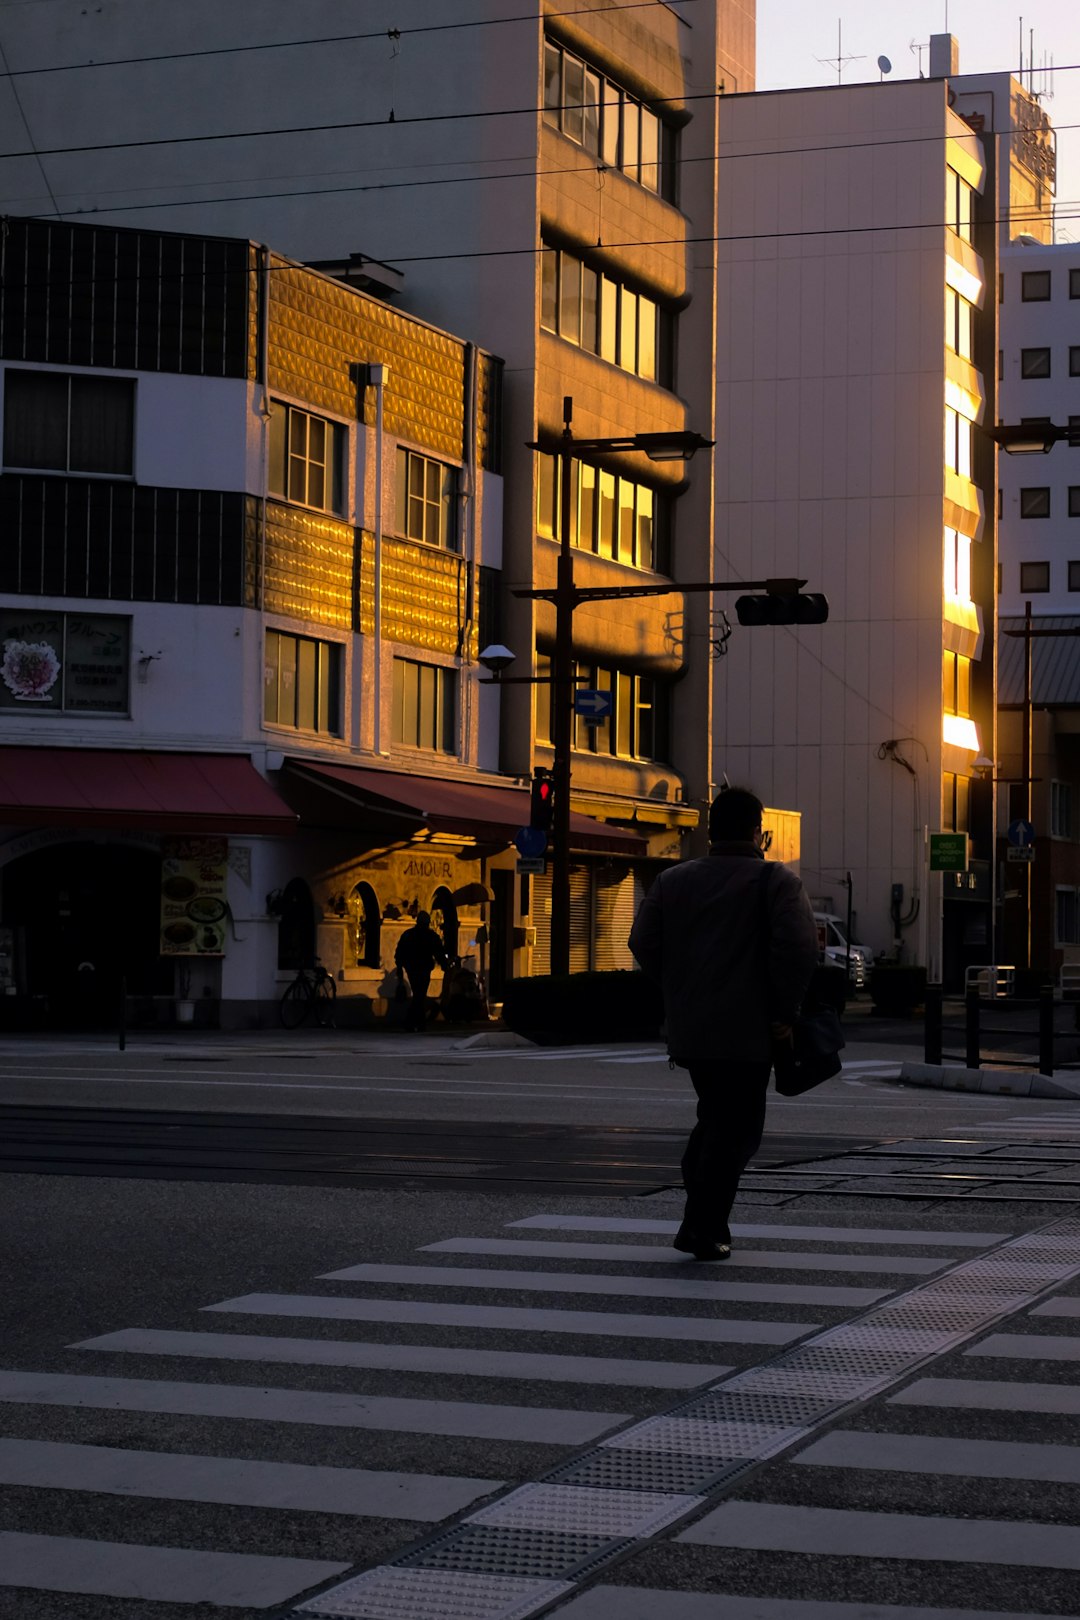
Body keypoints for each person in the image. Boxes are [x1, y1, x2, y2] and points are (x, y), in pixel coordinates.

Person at [628, 786, 818, 1261]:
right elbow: (798, 949)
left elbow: (642, 943)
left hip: (692, 1031)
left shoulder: (673, 880)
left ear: (711, 833)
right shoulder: (776, 881)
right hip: (750, 1031)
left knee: (716, 1115)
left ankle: (702, 1216)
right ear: (759, 832)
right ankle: (702, 1227)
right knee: (737, 1127)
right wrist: (784, 1012)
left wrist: (680, 989)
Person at [394, 911, 449, 1032]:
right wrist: (445, 965)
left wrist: (400, 967)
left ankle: (416, 1022)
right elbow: (438, 952)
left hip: (412, 969)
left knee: (418, 994)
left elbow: (399, 953)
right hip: (422, 969)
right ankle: (415, 1022)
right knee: (419, 994)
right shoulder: (430, 936)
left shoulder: (408, 935)